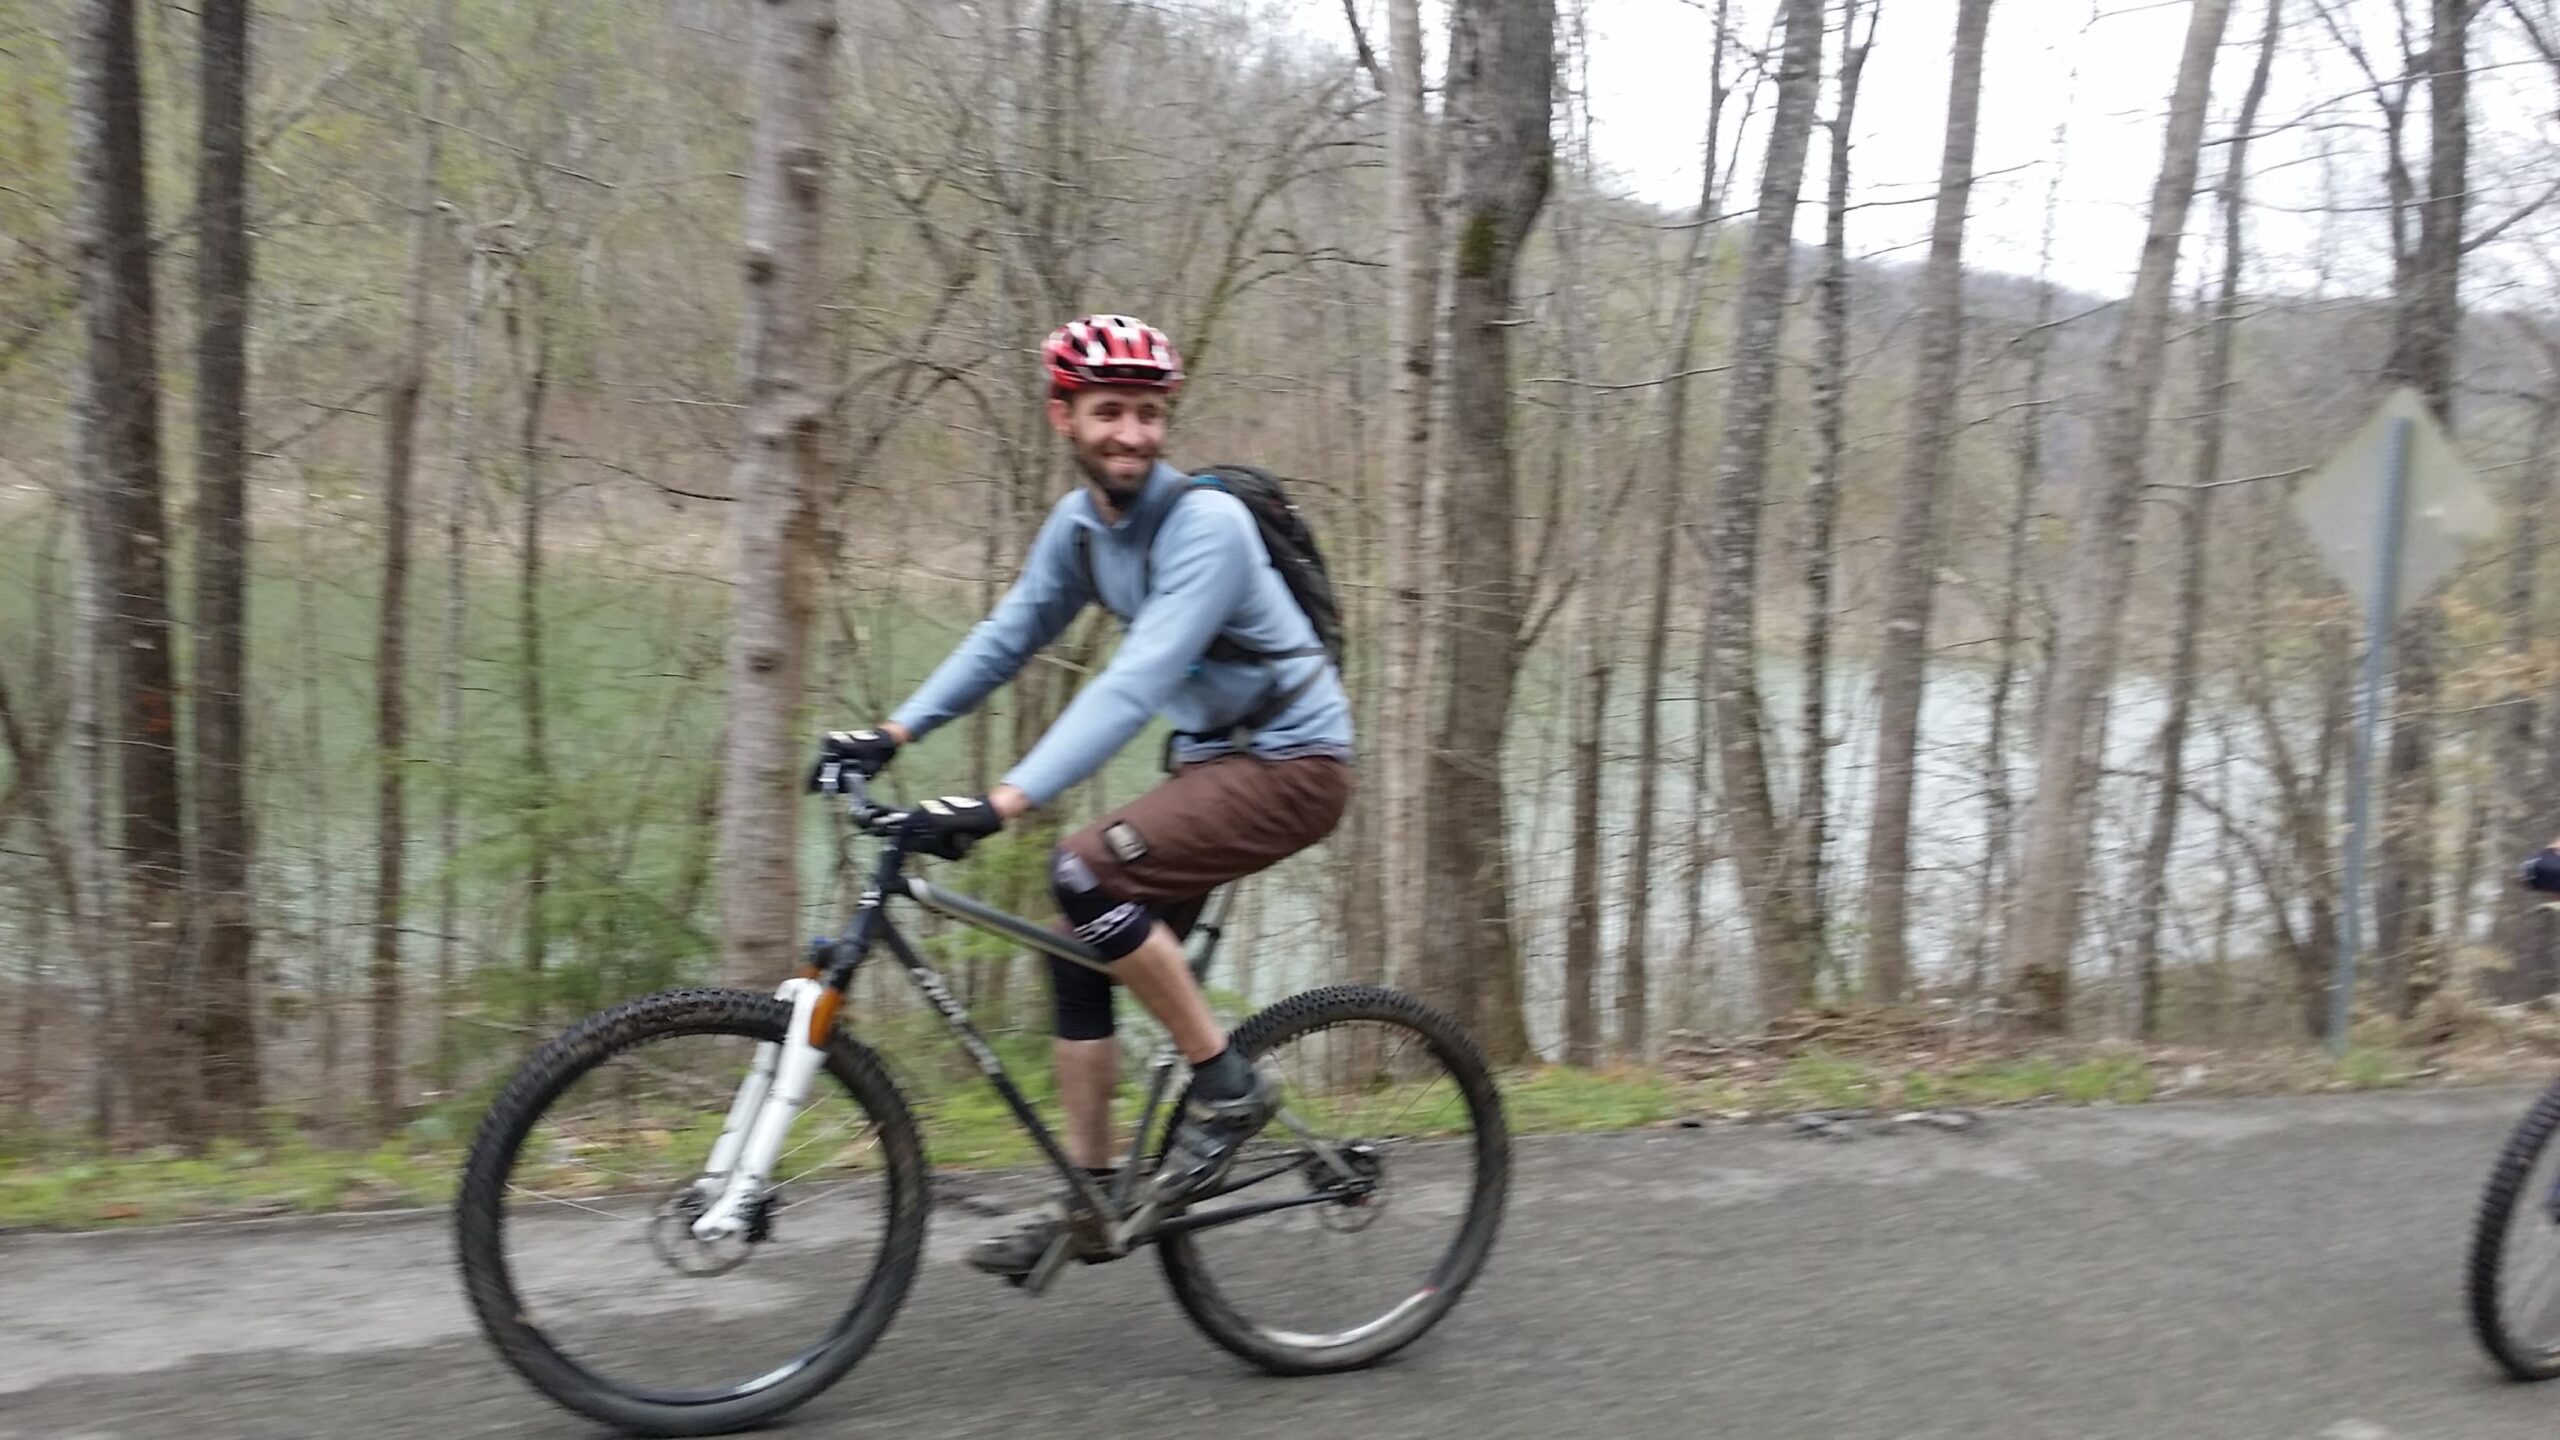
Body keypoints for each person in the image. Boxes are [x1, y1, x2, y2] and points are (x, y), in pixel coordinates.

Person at [810, 313, 1354, 1277]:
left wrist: (1002, 801)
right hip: (1217, 763)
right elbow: (1004, 639)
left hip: (1295, 764)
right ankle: (1098, 1196)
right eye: (1110, 412)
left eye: (1149, 414)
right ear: (1064, 417)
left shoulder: (1208, 527)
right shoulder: (1081, 530)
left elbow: (1136, 681)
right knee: (1079, 950)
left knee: (1084, 871)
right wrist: (892, 734)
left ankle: (1227, 1088)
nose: (1133, 434)